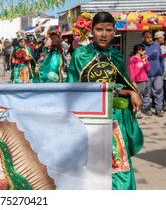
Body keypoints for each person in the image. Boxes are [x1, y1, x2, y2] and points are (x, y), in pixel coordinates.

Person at [67, 11, 143, 190]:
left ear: (114, 31)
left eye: (108, 30)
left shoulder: (115, 56)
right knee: (89, 169)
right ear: (92, 31)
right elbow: (72, 89)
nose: (103, 34)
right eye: (99, 29)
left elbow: (120, 83)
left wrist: (130, 93)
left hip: (113, 119)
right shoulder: (80, 55)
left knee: (118, 168)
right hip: (88, 118)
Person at [140, 30, 164, 117]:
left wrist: (162, 69)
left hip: (157, 74)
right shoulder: (141, 47)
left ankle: (159, 109)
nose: (150, 39)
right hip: (146, 74)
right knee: (147, 92)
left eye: (151, 37)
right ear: (143, 38)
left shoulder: (157, 46)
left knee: (159, 91)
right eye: (147, 37)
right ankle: (147, 108)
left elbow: (161, 58)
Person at [128, 44, 150, 113]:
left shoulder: (142, 58)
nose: (144, 51)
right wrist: (133, 81)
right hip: (137, 81)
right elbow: (131, 71)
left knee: (143, 95)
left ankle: (139, 109)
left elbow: (147, 69)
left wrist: (145, 61)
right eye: (143, 50)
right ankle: (137, 110)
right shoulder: (133, 59)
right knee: (137, 95)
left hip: (144, 79)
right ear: (138, 51)